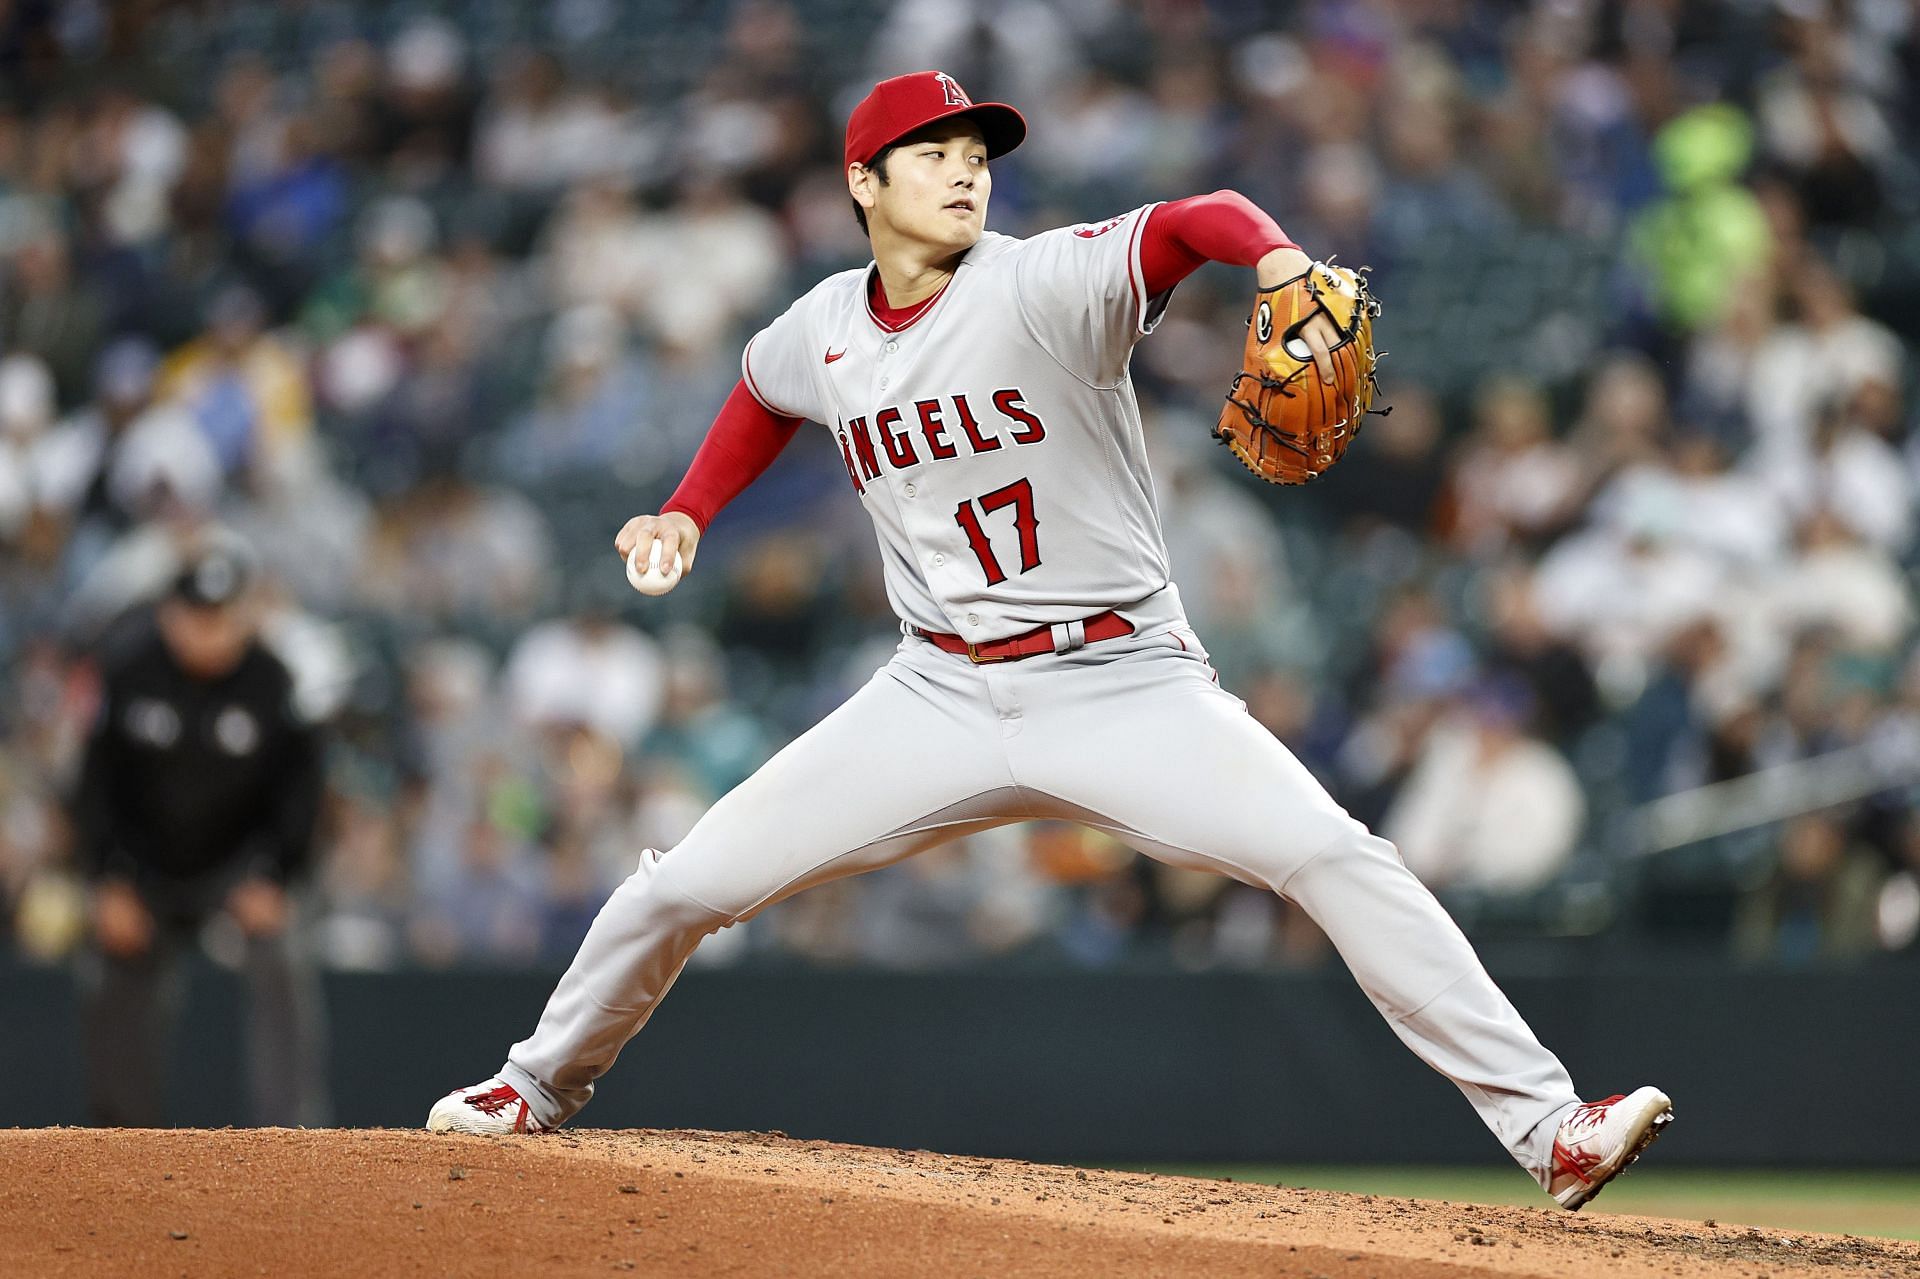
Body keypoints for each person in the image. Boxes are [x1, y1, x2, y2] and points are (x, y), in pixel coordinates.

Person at [429, 71, 1673, 1211]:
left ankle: (1550, 1125)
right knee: (685, 883)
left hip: (1122, 679)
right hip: (934, 692)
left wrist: (1281, 258)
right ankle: (531, 1086)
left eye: (977, 151)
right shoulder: (822, 326)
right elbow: (762, 392)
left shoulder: (1044, 283)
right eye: (932, 153)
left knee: (1336, 857)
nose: (967, 170)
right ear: (863, 183)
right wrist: (690, 508)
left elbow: (1197, 216)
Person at [74, 543, 328, 1126]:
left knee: (284, 955)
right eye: (195, 615)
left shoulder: (274, 682)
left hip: (238, 869)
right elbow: (94, 788)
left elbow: (301, 797)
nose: (207, 630)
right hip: (144, 870)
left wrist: (274, 876)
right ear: (169, 613)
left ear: (246, 613)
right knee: (108, 970)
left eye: (221, 615)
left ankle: (291, 1130)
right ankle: (117, 1133)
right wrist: (107, 878)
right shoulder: (128, 672)